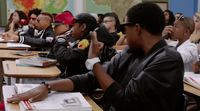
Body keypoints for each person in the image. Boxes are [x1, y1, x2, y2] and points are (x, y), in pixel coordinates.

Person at [7, 2, 184, 111]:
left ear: (137, 28)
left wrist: (94, 62)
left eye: (125, 28)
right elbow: (92, 78)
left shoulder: (167, 59)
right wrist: (48, 86)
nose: (124, 33)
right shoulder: (132, 52)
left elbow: (127, 102)